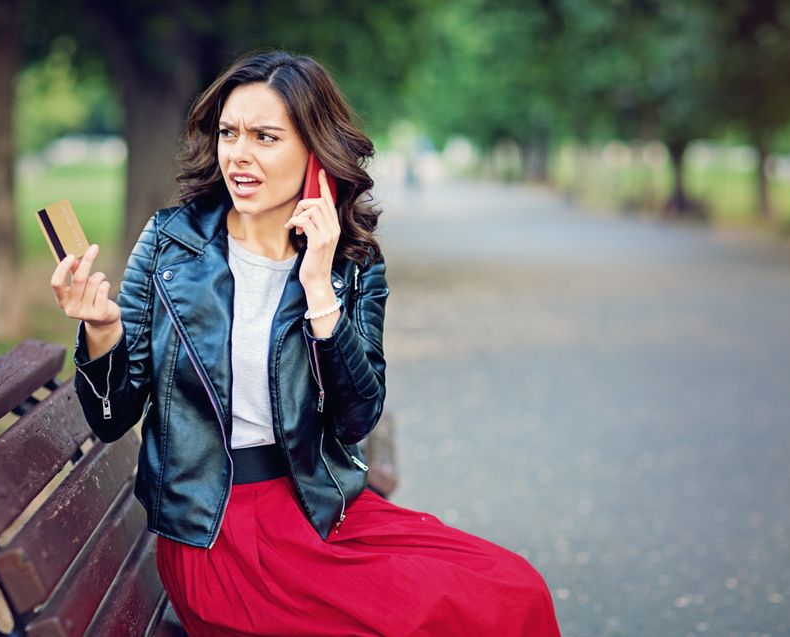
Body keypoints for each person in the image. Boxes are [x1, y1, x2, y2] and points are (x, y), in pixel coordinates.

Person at [51, 50, 560, 637]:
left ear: (314, 153)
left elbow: (356, 418)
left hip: (323, 509)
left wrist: (320, 289)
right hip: (218, 533)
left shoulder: (352, 261)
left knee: (513, 589)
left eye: (265, 137)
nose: (239, 154)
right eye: (228, 133)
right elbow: (113, 418)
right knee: (426, 617)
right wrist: (102, 331)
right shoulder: (171, 245)